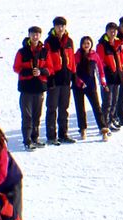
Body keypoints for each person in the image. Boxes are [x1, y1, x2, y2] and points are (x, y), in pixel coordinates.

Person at [13, 26, 51, 151]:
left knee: (37, 115)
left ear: (40, 36)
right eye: (33, 34)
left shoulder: (45, 51)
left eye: (37, 34)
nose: (35, 36)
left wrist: (41, 72)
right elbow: (16, 68)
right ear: (29, 35)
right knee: (27, 116)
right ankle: (27, 140)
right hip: (26, 88)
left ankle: (35, 138)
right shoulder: (22, 51)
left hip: (39, 88)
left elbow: (50, 68)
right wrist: (30, 72)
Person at [44, 16, 77, 145]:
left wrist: (73, 74)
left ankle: (64, 134)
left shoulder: (69, 41)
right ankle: (51, 136)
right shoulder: (49, 42)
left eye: (62, 26)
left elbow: (72, 59)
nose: (60, 28)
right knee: (52, 108)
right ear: (54, 27)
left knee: (64, 108)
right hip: (54, 80)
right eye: (58, 26)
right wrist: (50, 78)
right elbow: (47, 61)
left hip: (66, 79)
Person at [73, 36, 111, 142]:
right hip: (78, 86)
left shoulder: (95, 56)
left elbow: (100, 71)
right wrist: (79, 82)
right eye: (84, 43)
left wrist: (103, 83)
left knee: (96, 107)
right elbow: (73, 71)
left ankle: (103, 128)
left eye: (88, 43)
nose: (86, 45)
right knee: (80, 108)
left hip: (90, 85)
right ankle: (82, 128)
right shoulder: (77, 56)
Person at [97, 22, 123, 132]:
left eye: (114, 31)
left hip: (116, 76)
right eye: (110, 31)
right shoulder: (102, 45)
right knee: (107, 102)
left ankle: (111, 120)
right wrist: (105, 73)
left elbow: (120, 58)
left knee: (114, 100)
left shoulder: (118, 43)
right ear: (106, 31)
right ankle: (105, 123)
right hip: (108, 77)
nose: (113, 33)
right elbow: (100, 62)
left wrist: (121, 70)